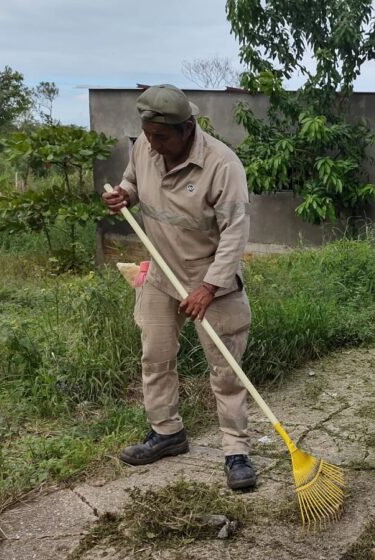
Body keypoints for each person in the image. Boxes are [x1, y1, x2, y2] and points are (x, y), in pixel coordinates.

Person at [102, 84, 256, 490]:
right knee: (155, 358)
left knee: (226, 370)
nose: (153, 143)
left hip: (212, 280)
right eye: (147, 134)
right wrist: (124, 195)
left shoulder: (222, 165)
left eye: (161, 136)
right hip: (160, 275)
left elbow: (235, 234)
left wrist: (208, 287)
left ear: (187, 128)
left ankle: (236, 450)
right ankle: (167, 432)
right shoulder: (145, 149)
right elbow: (132, 181)